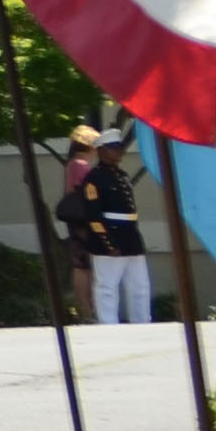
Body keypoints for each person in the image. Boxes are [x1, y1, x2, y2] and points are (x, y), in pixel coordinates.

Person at [63, 127, 152, 323]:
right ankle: (108, 323)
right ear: (101, 151)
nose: (119, 152)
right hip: (109, 237)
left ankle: (142, 321)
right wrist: (108, 243)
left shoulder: (122, 176)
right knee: (107, 287)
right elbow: (94, 215)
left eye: (119, 148)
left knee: (140, 285)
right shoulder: (94, 179)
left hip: (130, 237)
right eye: (113, 148)